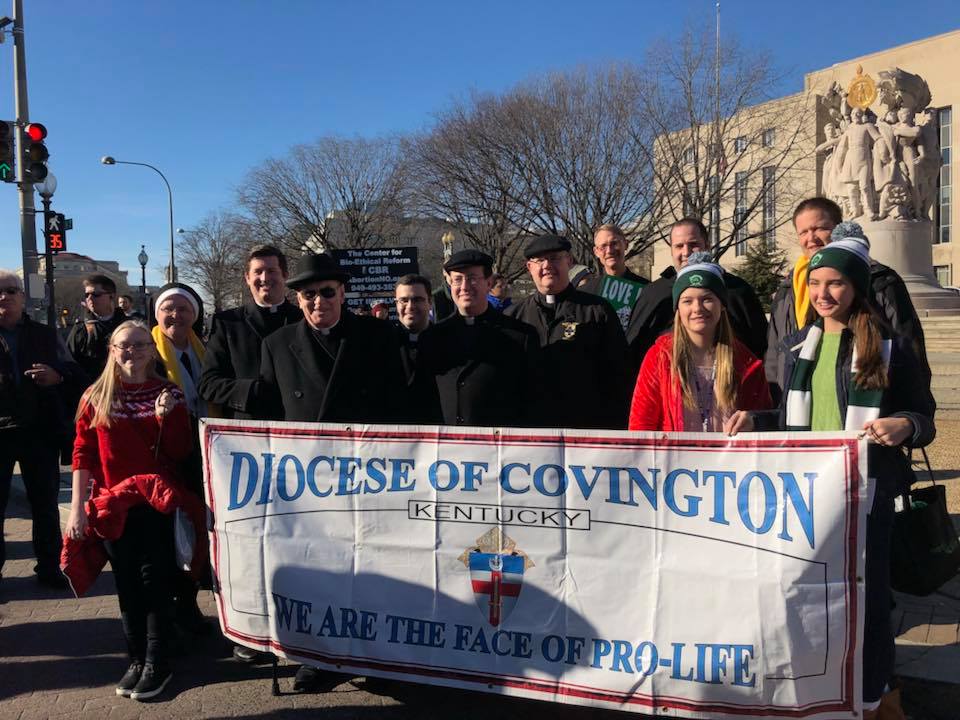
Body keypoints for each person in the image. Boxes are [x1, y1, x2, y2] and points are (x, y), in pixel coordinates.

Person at [726, 223, 935, 720]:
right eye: (816, 284)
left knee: (869, 601)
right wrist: (756, 420)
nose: (823, 294)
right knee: (812, 598)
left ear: (856, 287)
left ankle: (879, 694)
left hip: (869, 494)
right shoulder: (799, 347)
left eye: (835, 284)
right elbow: (791, 421)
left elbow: (924, 415)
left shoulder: (888, 347)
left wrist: (905, 424)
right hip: (808, 500)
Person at [258, 252, 406, 692]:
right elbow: (269, 410)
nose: (318, 301)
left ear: (342, 293)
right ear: (297, 298)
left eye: (327, 292)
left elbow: (399, 402)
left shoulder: (380, 336)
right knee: (318, 571)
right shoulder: (278, 344)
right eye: (308, 294)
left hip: (371, 476)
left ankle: (375, 654)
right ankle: (318, 657)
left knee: (373, 567)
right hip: (310, 483)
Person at [65, 320, 199, 701]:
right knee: (125, 582)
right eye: (124, 345)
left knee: (153, 581)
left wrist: (166, 416)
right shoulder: (96, 395)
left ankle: (158, 659)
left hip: (155, 502)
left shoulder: (168, 392)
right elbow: (82, 454)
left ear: (152, 351)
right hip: (111, 504)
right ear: (112, 350)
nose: (133, 352)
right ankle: (136, 657)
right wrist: (77, 509)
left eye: (141, 345)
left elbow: (178, 452)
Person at [765, 197, 929, 404]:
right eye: (803, 232)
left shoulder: (880, 281)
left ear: (839, 229)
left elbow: (909, 345)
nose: (811, 238)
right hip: (798, 399)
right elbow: (774, 353)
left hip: (863, 396)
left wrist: (912, 416)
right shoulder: (787, 289)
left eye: (820, 228)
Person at [0, 271, 82, 588]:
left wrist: (56, 375)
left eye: (10, 291)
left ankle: (49, 566)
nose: (4, 297)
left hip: (39, 430)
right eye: (0, 292)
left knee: (44, 504)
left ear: (23, 297)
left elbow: (74, 371)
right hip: (2, 431)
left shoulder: (45, 335)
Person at [629, 257, 771, 431]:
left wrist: (754, 421)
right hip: (674, 458)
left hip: (729, 458)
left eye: (707, 299)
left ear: (722, 305)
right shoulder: (659, 357)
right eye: (687, 301)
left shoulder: (747, 364)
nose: (697, 308)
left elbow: (764, 429)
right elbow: (641, 427)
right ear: (677, 309)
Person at [506, 234, 631, 429]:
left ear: (569, 261)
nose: (547, 265)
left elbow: (619, 377)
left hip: (585, 433)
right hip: (529, 436)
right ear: (529, 267)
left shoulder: (597, 311)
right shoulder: (513, 317)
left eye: (555, 258)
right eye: (539, 260)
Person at [415, 249, 541, 427]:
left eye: (473, 278)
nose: (465, 287)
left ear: (489, 283)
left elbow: (532, 400)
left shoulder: (520, 335)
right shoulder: (432, 337)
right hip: (446, 447)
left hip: (500, 447)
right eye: (457, 280)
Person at [151, 282, 209, 636]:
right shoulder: (148, 352)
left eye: (183, 308)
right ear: (156, 314)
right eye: (167, 308)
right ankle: (173, 611)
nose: (175, 315)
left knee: (195, 530)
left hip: (199, 450)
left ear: (195, 314)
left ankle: (189, 605)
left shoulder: (206, 350)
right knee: (167, 537)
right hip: (163, 456)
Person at [631, 218, 768, 366]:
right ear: (671, 250)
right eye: (679, 246)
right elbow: (635, 351)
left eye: (693, 244)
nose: (686, 252)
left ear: (707, 246)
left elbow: (760, 346)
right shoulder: (653, 294)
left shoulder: (737, 290)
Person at [199, 245, 301, 420]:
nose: (264, 278)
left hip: (296, 426)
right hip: (247, 432)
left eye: (271, 271)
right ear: (247, 278)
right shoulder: (226, 323)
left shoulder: (303, 320)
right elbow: (208, 384)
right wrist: (252, 391)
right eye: (258, 271)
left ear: (285, 275)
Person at [580, 224, 650, 376]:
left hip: (636, 374)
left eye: (614, 243)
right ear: (596, 251)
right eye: (603, 246)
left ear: (625, 244)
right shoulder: (584, 293)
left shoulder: (647, 290)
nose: (610, 250)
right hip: (597, 377)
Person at [67, 274, 128, 382]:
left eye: (96, 294)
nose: (90, 298)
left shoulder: (128, 326)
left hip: (126, 388)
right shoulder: (80, 329)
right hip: (91, 390)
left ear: (112, 296)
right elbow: (69, 363)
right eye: (87, 294)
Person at [393, 274, 433, 385]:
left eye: (417, 300)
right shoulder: (382, 344)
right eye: (404, 300)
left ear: (430, 302)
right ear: (396, 304)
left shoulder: (446, 341)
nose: (410, 306)